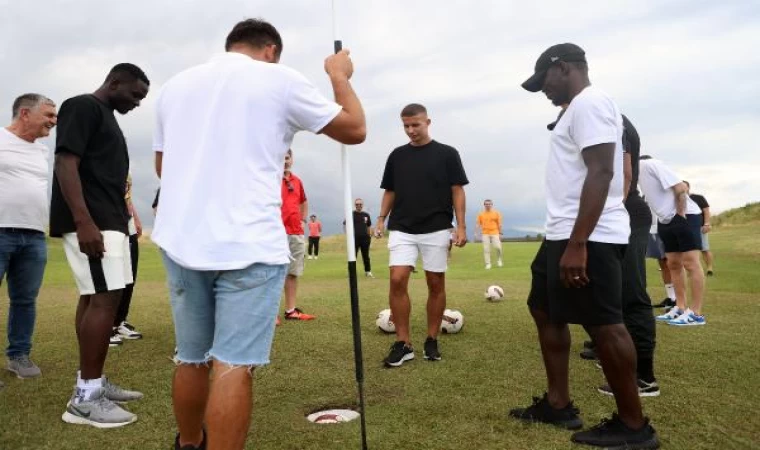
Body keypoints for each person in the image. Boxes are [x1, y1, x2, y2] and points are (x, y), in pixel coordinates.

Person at [151, 19, 365, 450]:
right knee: (232, 364)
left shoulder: (174, 86)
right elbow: (353, 128)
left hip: (182, 240)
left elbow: (162, 167)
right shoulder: (278, 78)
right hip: (248, 242)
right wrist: (338, 77)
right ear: (270, 49)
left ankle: (189, 443)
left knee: (191, 357)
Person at [510, 44, 658, 449]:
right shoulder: (574, 109)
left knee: (604, 323)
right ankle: (558, 405)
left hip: (588, 235)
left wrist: (578, 244)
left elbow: (602, 170)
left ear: (563, 68)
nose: (542, 90)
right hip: (563, 232)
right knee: (542, 306)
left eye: (544, 81)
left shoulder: (591, 102)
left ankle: (633, 426)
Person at [50, 64, 150, 428]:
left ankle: (90, 381)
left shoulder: (106, 115)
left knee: (98, 296)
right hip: (91, 222)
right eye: (135, 94)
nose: (138, 103)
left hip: (110, 220)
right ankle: (84, 399)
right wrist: (83, 220)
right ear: (115, 82)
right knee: (103, 299)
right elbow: (65, 162)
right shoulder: (82, 106)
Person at [375, 103, 468, 367]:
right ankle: (403, 344)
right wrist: (381, 218)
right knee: (397, 279)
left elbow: (457, 190)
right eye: (406, 126)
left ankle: (431, 339)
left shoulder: (448, 154)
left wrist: (460, 226)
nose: (410, 130)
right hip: (402, 226)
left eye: (415, 125)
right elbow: (390, 190)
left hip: (437, 226)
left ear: (428, 122)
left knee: (435, 283)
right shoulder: (397, 156)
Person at [594, 115, 659, 397]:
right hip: (620, 215)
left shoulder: (610, 119)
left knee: (632, 293)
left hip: (627, 215)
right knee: (616, 292)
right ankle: (615, 356)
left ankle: (644, 378)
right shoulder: (605, 117)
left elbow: (625, 173)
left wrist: (608, 212)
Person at [1, 94, 57, 387]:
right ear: (25, 113)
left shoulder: (42, 151)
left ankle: (19, 356)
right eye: (48, 114)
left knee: (25, 300)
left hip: (34, 235)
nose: (53, 120)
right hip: (0, 231)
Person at [639, 156, 706, 326]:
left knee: (691, 263)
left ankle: (696, 314)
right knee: (673, 264)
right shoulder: (631, 171)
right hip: (665, 220)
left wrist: (680, 215)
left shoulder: (650, 164)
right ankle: (680, 307)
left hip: (686, 216)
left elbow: (680, 187)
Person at [281, 149, 316, 321]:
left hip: (295, 232)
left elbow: (303, 201)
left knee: (293, 272)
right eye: (281, 158)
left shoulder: (297, 181)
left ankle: (290, 310)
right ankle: (269, 314)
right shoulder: (270, 179)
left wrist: (302, 220)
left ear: (292, 159)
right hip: (276, 233)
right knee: (272, 274)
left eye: (287, 157)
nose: (285, 161)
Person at [111, 173, 143, 345]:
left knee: (129, 279)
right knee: (114, 279)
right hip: (113, 227)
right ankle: (107, 327)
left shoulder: (124, 163)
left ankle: (119, 322)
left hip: (127, 227)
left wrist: (135, 218)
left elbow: (127, 195)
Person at [646, 211, 676, 309]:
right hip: (652, 228)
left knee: (672, 263)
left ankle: (677, 299)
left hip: (666, 225)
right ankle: (671, 298)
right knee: (663, 263)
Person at [684, 181, 714, 276]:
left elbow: (706, 211)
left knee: (704, 249)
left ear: (688, 187)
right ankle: (691, 269)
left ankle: (709, 268)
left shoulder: (698, 198)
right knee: (687, 250)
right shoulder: (677, 199)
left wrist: (707, 224)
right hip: (684, 229)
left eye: (684, 186)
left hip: (700, 227)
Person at [345, 198, 373, 277]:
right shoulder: (351, 214)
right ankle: (351, 273)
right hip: (354, 240)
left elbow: (369, 226)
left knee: (366, 256)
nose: (359, 206)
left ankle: (368, 271)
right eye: (357, 204)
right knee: (353, 256)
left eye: (360, 204)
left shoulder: (366, 215)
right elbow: (345, 224)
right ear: (355, 205)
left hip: (365, 239)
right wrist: (348, 235)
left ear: (362, 205)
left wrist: (369, 235)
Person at [476, 199, 503, 269]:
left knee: (498, 247)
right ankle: (488, 264)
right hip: (485, 233)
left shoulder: (496, 213)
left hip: (495, 232)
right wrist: (477, 233)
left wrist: (500, 233)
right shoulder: (481, 214)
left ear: (491, 205)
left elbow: (499, 224)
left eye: (489, 204)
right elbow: (478, 224)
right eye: (486, 204)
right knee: (486, 249)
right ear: (484, 205)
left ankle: (499, 260)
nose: (488, 205)